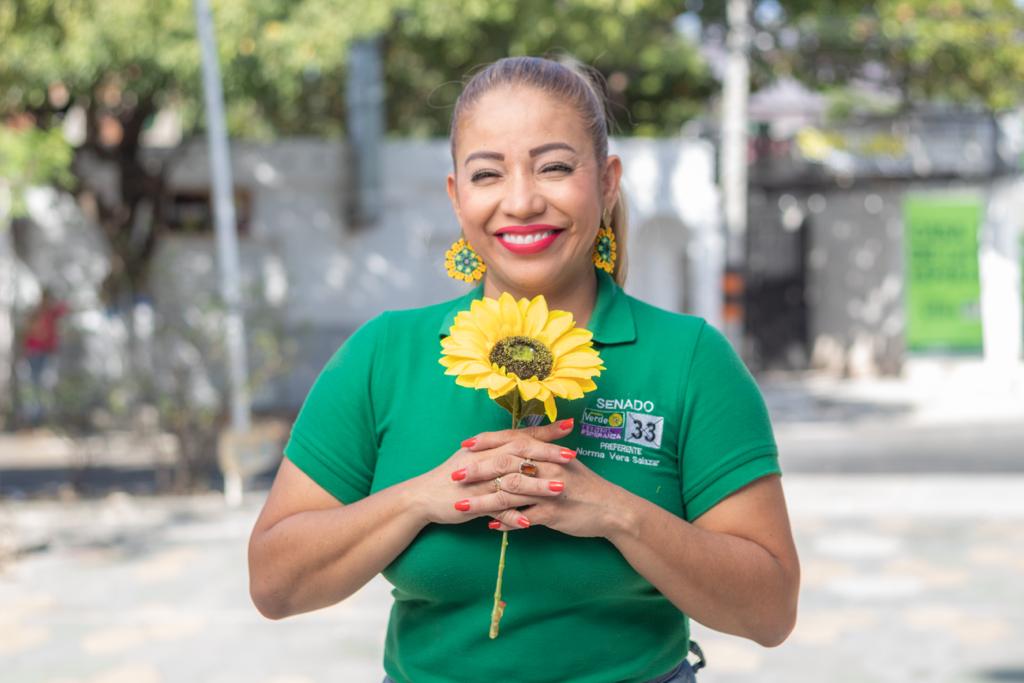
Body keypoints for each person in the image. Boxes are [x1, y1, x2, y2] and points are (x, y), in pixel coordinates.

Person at [248, 56, 800, 683]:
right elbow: (274, 584)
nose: (521, 201)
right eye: (488, 174)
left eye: (556, 167)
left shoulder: (689, 359)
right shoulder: (385, 354)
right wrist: (420, 498)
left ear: (607, 181)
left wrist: (617, 514)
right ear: (458, 197)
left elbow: (771, 611)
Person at [21, 288, 69, 424]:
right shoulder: (35, 312)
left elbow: (65, 308)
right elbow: (29, 328)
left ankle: (43, 413)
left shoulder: (52, 312)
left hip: (47, 352)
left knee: (46, 382)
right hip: (34, 352)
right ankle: (33, 415)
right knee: (33, 382)